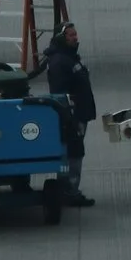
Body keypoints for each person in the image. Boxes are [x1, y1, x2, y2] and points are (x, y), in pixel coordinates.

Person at [30, 22, 98, 206]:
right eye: (71, 35)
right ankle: (69, 191)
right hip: (72, 117)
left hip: (78, 115)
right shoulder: (61, 62)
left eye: (75, 34)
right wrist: (71, 118)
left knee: (72, 152)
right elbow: (60, 93)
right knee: (73, 153)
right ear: (62, 38)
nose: (75, 38)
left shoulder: (67, 58)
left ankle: (68, 190)